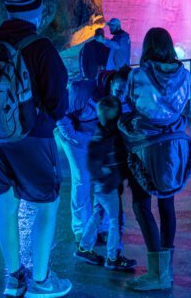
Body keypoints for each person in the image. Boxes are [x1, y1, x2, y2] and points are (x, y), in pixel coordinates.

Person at [0, 0, 71, 298]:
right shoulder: (40, 47)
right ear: (34, 12)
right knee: (47, 205)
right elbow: (58, 101)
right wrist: (44, 124)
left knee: (7, 206)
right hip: (32, 137)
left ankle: (14, 278)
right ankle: (41, 280)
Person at [120, 27, 191, 291]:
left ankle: (156, 274)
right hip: (172, 147)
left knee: (141, 205)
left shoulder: (137, 75)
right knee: (167, 205)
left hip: (144, 147)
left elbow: (128, 104)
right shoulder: (185, 75)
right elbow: (184, 105)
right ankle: (167, 270)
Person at [74, 96, 137, 270]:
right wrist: (108, 178)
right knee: (116, 219)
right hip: (107, 186)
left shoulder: (104, 133)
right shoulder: (105, 137)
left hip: (103, 186)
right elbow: (94, 163)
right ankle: (113, 257)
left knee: (97, 215)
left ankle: (84, 248)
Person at [54, 79, 99, 245]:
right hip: (73, 136)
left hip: (97, 136)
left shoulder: (116, 95)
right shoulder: (76, 94)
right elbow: (61, 118)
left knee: (104, 180)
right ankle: (80, 227)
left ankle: (102, 225)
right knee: (81, 178)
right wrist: (83, 139)